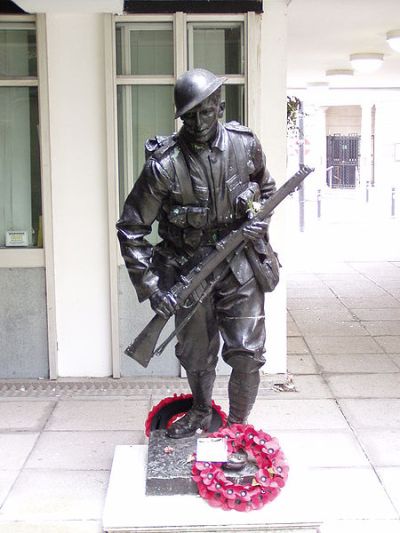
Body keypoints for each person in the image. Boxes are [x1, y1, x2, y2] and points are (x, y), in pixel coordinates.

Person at [117, 68, 276, 439]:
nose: (200, 121)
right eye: (190, 114)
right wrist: (155, 289)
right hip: (188, 272)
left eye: (207, 111)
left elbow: (267, 190)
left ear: (220, 107)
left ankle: (237, 430)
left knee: (248, 353)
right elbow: (132, 228)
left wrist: (256, 222)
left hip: (240, 266)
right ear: (181, 116)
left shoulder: (245, 144)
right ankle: (201, 411)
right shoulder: (164, 165)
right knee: (196, 356)